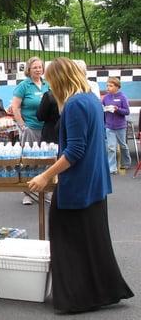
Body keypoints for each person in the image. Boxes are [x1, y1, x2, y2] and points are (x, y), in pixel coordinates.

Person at [28, 57, 133, 313]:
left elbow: (75, 150)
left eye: (52, 82)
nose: (50, 88)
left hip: (78, 184)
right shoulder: (91, 99)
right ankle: (102, 291)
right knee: (94, 242)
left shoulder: (74, 104)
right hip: (95, 182)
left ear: (59, 79)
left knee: (67, 241)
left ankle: (77, 298)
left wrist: (45, 176)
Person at [11, 56, 49, 205]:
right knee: (29, 161)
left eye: (40, 67)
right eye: (35, 68)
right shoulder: (24, 86)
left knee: (45, 160)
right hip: (30, 128)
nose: (38, 70)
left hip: (45, 128)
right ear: (29, 69)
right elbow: (15, 107)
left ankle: (43, 191)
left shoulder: (47, 84)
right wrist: (22, 126)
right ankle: (27, 193)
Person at [102, 77, 131, 174]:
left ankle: (126, 163)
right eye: (107, 85)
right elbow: (101, 107)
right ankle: (112, 168)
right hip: (109, 126)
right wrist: (103, 108)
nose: (108, 87)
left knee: (123, 145)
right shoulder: (106, 97)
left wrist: (117, 109)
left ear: (117, 87)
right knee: (111, 147)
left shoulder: (122, 97)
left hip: (120, 126)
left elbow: (127, 112)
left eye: (111, 86)